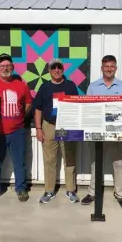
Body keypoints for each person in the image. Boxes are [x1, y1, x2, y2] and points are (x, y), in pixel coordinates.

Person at [0, 53, 32, 204]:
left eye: (8, 65)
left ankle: (21, 189)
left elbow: (28, 103)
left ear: (13, 67)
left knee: (19, 162)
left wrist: (21, 115)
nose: (5, 68)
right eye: (2, 65)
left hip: (17, 131)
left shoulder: (21, 84)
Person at [81, 55, 122, 209]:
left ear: (115, 68)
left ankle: (121, 195)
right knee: (95, 163)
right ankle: (92, 192)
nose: (109, 69)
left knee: (118, 163)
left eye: (112, 66)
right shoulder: (93, 86)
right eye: (106, 66)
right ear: (101, 68)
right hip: (97, 131)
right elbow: (88, 108)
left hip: (116, 132)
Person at [33, 59, 80, 204]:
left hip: (66, 126)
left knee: (69, 158)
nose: (57, 70)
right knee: (49, 160)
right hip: (49, 125)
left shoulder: (71, 85)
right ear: (49, 70)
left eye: (59, 67)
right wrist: (39, 129)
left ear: (63, 69)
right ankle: (49, 191)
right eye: (54, 67)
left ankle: (71, 190)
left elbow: (77, 106)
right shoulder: (44, 86)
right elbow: (38, 109)